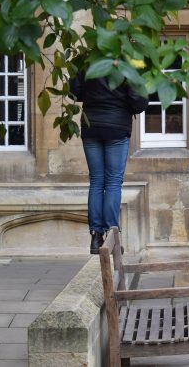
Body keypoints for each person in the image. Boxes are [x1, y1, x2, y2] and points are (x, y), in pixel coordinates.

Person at [70, 73, 148, 254]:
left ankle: (96, 236)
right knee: (113, 182)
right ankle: (113, 235)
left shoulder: (87, 61)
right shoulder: (124, 64)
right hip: (117, 126)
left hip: (91, 125)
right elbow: (139, 104)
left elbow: (74, 92)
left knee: (97, 181)